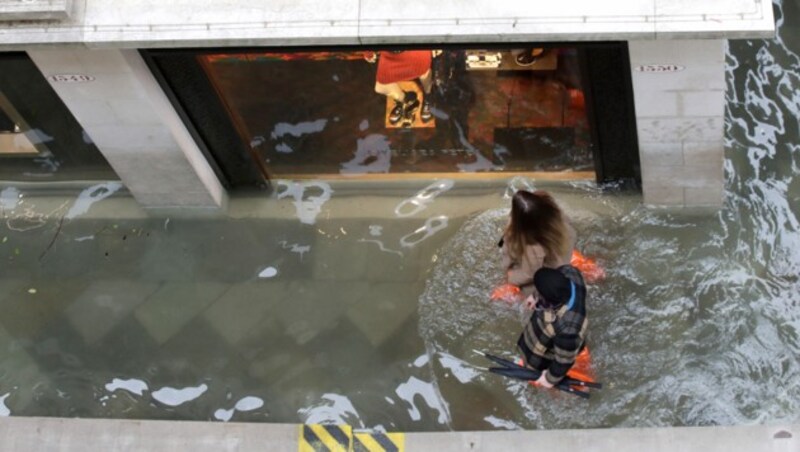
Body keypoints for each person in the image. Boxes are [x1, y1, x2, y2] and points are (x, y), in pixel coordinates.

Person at [518, 266, 588, 388]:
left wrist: (550, 379)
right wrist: (535, 296)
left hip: (547, 356)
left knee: (561, 363)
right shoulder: (570, 273)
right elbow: (551, 284)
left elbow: (563, 361)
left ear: (552, 302)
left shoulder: (568, 329)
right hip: (558, 337)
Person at [499, 190, 575, 301]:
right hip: (561, 251)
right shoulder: (555, 214)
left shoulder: (532, 246)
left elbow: (530, 273)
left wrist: (510, 277)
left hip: (546, 273)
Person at [365, 50, 436, 125]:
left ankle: (428, 96)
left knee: (424, 72)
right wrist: (368, 52)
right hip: (390, 54)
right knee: (380, 87)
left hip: (416, 48)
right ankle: (405, 99)